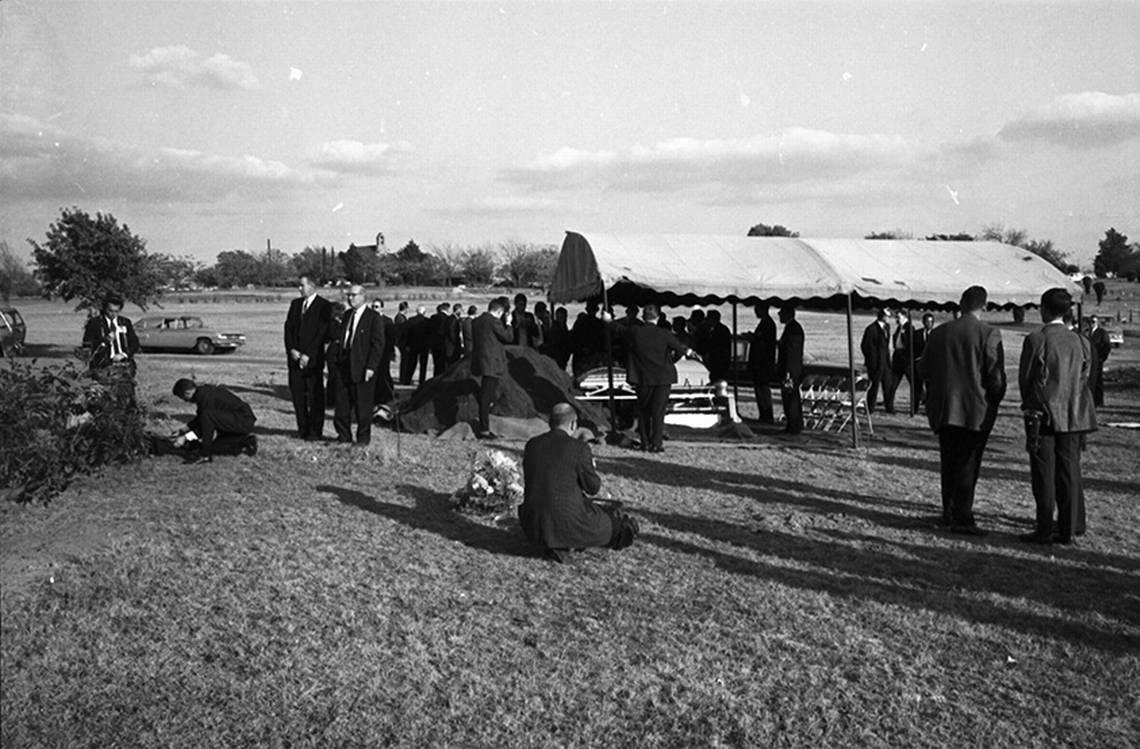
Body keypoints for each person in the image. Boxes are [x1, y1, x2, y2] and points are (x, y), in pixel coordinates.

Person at [918, 285, 1006, 534]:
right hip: (975, 409)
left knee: (948, 460)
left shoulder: (938, 333)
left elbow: (923, 369)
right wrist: (993, 400)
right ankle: (963, 516)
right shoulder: (989, 333)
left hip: (945, 408)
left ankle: (949, 511)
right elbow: (995, 376)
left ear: (960, 304)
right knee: (969, 463)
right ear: (985, 306)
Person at [1019, 289, 1097, 545]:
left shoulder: (1036, 339)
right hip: (1075, 415)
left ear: (1043, 308)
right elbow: (1085, 378)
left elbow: (1027, 379)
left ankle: (1043, 528)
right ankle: (1068, 529)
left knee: (1044, 474)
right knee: (1070, 472)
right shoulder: (1082, 341)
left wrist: (1031, 406)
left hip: (1044, 415)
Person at [519, 403, 640, 563]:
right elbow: (593, 488)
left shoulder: (532, 445)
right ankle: (564, 542)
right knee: (620, 528)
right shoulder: (579, 448)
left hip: (533, 525)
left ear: (550, 422)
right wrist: (591, 468)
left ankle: (555, 543)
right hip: (570, 522)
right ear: (572, 424)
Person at [616, 303, 695, 453]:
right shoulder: (665, 334)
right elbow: (680, 350)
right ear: (658, 317)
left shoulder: (635, 332)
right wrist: (670, 362)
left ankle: (645, 443)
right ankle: (656, 443)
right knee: (658, 412)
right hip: (663, 377)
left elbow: (618, 329)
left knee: (644, 410)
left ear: (643, 317)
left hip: (642, 377)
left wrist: (607, 319)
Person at [331, 285, 385, 445]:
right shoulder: (347, 315)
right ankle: (343, 436)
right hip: (344, 366)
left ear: (363, 296)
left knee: (363, 407)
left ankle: (362, 439)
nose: (350, 298)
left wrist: (371, 367)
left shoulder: (373, 318)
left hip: (362, 368)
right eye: (348, 295)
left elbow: (378, 345)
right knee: (341, 405)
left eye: (353, 295)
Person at [284, 276, 332, 440]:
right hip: (295, 359)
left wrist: (308, 354)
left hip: (313, 361)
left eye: (302, 285)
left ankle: (314, 432)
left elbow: (322, 333)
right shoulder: (295, 305)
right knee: (298, 396)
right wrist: (292, 350)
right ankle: (302, 429)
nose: (299, 288)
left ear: (312, 286)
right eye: (299, 285)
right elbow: (288, 329)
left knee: (315, 397)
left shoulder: (324, 306)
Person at [171, 378, 257, 462]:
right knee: (216, 447)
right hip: (236, 419)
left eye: (183, 398)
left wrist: (185, 438)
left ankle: (205, 455)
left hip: (242, 420)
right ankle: (246, 442)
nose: (185, 401)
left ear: (187, 393)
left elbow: (203, 427)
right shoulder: (202, 394)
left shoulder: (205, 397)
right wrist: (182, 430)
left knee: (207, 424)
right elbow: (199, 419)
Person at [471, 296, 513, 439]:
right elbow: (508, 338)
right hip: (492, 364)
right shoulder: (494, 322)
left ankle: (485, 424)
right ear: (500, 311)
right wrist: (508, 323)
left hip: (481, 361)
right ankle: (484, 429)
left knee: (486, 395)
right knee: (487, 397)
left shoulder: (476, 321)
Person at [83, 295, 140, 373]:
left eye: (116, 311)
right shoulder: (95, 323)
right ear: (105, 309)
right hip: (102, 365)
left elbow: (134, 343)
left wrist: (124, 354)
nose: (113, 314)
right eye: (110, 311)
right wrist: (104, 340)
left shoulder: (125, 322)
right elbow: (87, 343)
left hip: (124, 365)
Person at [776, 303, 805, 435]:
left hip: (790, 371)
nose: (779, 315)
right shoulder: (792, 328)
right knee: (789, 397)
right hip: (790, 369)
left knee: (791, 398)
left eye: (781, 313)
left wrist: (788, 371)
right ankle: (792, 423)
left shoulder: (793, 329)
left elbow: (791, 352)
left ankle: (794, 425)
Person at [748, 302, 778, 424]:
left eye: (757, 309)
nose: (755, 312)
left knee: (763, 389)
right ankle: (764, 413)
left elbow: (763, 342)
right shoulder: (766, 323)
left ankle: (766, 413)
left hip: (763, 363)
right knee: (760, 388)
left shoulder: (768, 324)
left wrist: (754, 338)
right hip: (761, 362)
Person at [861, 308, 894, 414]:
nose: (888, 318)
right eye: (887, 316)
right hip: (875, 364)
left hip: (885, 363)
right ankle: (870, 408)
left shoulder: (887, 327)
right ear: (882, 316)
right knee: (874, 387)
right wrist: (872, 360)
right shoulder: (871, 329)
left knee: (888, 386)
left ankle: (889, 407)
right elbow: (865, 346)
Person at [370, 299, 397, 409]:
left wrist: (390, 352)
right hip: (371, 353)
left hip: (384, 353)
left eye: (376, 307)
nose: (374, 309)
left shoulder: (387, 321)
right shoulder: (368, 320)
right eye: (373, 306)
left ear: (382, 308)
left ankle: (386, 396)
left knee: (384, 375)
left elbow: (391, 339)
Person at [890, 309, 917, 412]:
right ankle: (890, 406)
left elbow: (910, 344)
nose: (896, 319)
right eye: (896, 317)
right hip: (897, 358)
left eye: (898, 317)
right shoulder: (898, 328)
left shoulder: (909, 328)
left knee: (913, 384)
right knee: (892, 384)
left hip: (906, 360)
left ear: (905, 317)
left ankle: (915, 406)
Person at [1085, 316, 1112, 408]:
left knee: (1098, 380)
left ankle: (1099, 401)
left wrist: (1102, 358)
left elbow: (1107, 346)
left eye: (1093, 322)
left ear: (1097, 323)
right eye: (1090, 322)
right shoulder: (1087, 332)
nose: (1091, 323)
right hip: (1089, 360)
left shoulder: (1102, 333)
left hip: (1098, 359)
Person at [428, 302, 460, 378]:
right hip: (442, 344)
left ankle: (435, 377)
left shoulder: (433, 317)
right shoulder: (447, 319)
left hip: (433, 344)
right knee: (442, 364)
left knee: (436, 363)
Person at [912, 312, 936, 407]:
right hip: (919, 364)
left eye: (931, 322)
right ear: (923, 322)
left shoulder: (936, 334)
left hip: (931, 365)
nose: (929, 324)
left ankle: (929, 407)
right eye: (927, 321)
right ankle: (915, 406)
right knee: (917, 387)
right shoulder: (917, 334)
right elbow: (913, 348)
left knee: (930, 387)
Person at [703, 309, 732, 383]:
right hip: (718, 361)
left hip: (719, 361)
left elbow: (715, 345)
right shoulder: (719, 329)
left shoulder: (720, 330)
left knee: (717, 379)